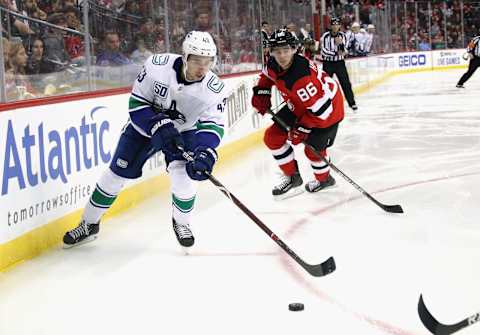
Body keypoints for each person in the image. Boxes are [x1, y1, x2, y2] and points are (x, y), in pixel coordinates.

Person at [63, 31, 228, 249]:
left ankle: (182, 223)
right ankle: (89, 224)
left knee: (183, 176)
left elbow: (212, 125)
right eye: (197, 61)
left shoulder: (213, 89)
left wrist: (205, 151)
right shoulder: (157, 66)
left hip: (184, 131)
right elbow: (137, 105)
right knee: (115, 174)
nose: (202, 68)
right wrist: (157, 125)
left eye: (208, 62)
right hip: (144, 127)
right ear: (185, 56)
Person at [251, 29, 345, 199]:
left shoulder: (301, 78)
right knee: (272, 137)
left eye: (286, 50)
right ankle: (293, 177)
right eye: (277, 51)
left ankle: (325, 180)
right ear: (271, 52)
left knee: (313, 150)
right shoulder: (273, 63)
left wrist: (303, 128)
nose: (282, 55)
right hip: (300, 104)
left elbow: (323, 111)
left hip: (327, 112)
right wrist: (262, 93)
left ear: (294, 49)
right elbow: (266, 77)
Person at [320, 17, 357, 111]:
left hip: (339, 63)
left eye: (337, 24)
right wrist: (336, 52)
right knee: (324, 84)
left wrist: (340, 45)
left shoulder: (343, 35)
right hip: (328, 63)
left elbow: (344, 50)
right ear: (330, 26)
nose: (335, 26)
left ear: (339, 26)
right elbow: (324, 51)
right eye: (333, 24)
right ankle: (324, 104)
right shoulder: (325, 36)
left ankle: (351, 103)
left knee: (346, 83)